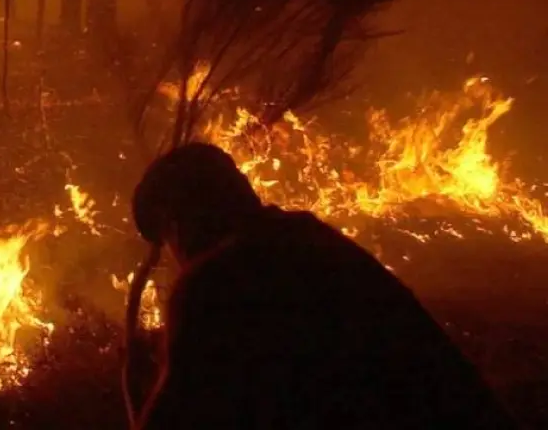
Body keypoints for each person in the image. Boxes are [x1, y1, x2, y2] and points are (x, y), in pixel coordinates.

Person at [128, 142, 518, 430]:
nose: (173, 252)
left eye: (165, 237)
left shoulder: (213, 281)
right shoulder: (309, 238)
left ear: (177, 219)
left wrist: (136, 386)